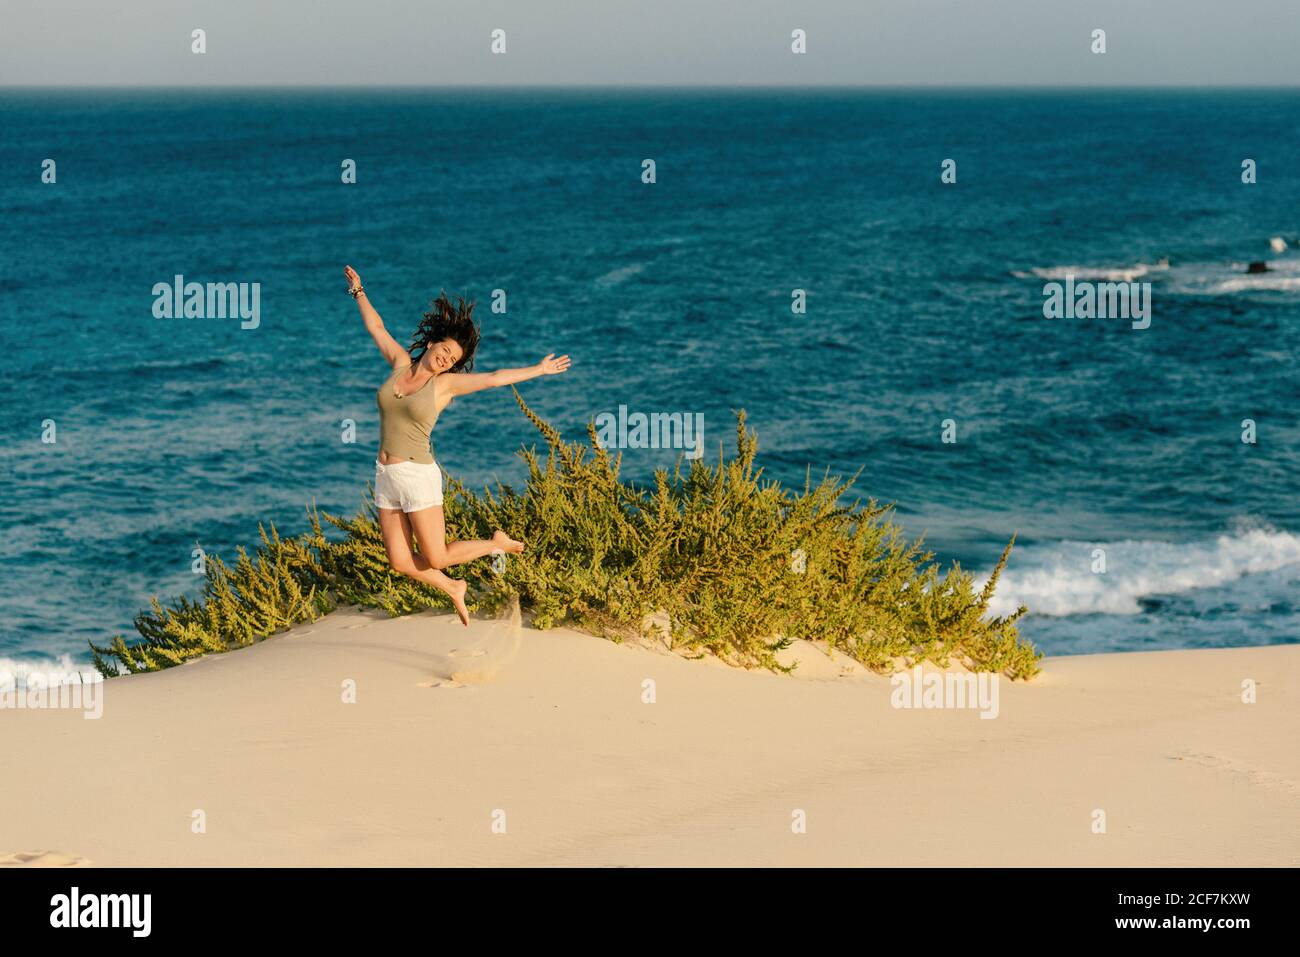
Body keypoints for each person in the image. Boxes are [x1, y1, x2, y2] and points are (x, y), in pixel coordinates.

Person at [344, 265, 571, 626]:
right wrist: (359, 291)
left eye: (454, 360)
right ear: (433, 343)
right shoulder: (400, 364)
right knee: (401, 562)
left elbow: (495, 379)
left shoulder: (445, 386)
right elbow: (377, 328)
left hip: (417, 475)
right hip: (386, 475)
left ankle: (496, 543)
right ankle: (453, 588)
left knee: (436, 556)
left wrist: (538, 370)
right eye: (446, 351)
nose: (447, 360)